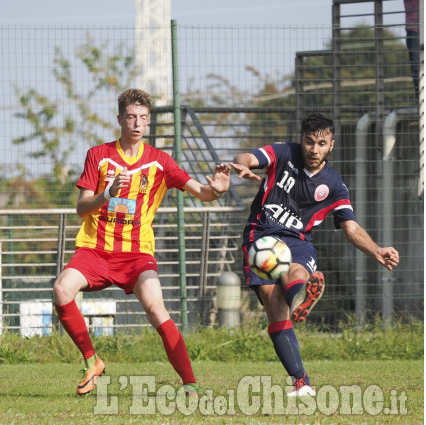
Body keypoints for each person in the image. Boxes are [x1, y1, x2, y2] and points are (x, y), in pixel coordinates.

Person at [52, 88, 231, 396]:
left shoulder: (160, 162)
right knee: (61, 289)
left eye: (143, 118)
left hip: (136, 254)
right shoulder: (99, 155)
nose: (137, 123)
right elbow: (81, 208)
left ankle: (190, 384)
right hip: (96, 249)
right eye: (131, 117)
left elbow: (201, 192)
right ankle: (92, 360)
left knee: (157, 310)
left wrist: (217, 190)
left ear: (148, 122)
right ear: (120, 118)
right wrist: (108, 194)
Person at [230, 113, 400, 397]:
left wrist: (376, 249)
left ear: (331, 145)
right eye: (309, 142)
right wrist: (242, 166)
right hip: (261, 236)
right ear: (302, 141)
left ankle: (301, 300)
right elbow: (246, 156)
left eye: (321, 143)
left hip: (298, 241)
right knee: (275, 309)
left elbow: (351, 226)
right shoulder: (284, 152)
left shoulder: (334, 184)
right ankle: (302, 376)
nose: (314, 149)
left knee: (296, 271)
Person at [404, 0, 420, 101]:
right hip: (413, 29)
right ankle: (421, 102)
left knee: (417, 68)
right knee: (416, 69)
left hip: (414, 28)